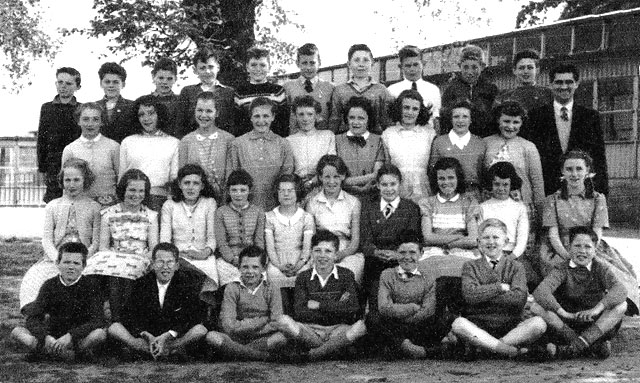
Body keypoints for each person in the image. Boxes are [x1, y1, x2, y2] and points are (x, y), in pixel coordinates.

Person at [539, 150, 638, 314]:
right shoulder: (552, 200)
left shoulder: (598, 199)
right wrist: (569, 256)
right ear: (562, 172)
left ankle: (611, 305)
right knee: (561, 273)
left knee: (613, 273)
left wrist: (587, 252)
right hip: (561, 248)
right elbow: (553, 234)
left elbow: (597, 232)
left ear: (588, 172)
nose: (574, 174)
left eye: (579, 169)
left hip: (590, 245)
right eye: (569, 169)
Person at [450, 219, 547, 359]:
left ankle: (490, 347)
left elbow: (519, 299)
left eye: (496, 237)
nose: (491, 242)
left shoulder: (516, 266)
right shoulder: (470, 266)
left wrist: (482, 293)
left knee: (539, 324)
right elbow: (470, 295)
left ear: (505, 241)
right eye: (486, 238)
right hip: (479, 325)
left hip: (511, 327)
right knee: (459, 324)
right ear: (478, 242)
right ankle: (509, 351)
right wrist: (500, 287)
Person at [19, 158, 101, 312]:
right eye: (67, 180)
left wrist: (83, 258)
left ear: (85, 180)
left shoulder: (94, 207)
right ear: (62, 181)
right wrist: (57, 257)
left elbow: (95, 241)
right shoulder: (53, 206)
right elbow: (47, 239)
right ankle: (36, 313)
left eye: (77, 180)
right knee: (35, 276)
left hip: (84, 258)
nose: (72, 184)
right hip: (56, 257)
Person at [534, 227, 628, 360]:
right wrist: (563, 313)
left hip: (594, 322)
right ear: (569, 247)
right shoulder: (562, 268)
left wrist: (596, 310)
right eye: (577, 246)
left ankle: (573, 348)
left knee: (622, 305)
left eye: (588, 247)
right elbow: (541, 291)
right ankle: (590, 345)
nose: (582, 251)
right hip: (569, 321)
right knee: (536, 306)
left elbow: (620, 289)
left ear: (595, 249)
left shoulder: (600, 267)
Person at [108, 243, 207, 360]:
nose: (165, 267)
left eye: (170, 262)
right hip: (148, 337)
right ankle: (146, 349)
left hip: (173, 338)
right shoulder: (141, 283)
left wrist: (168, 335)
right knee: (114, 327)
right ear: (153, 264)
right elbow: (130, 315)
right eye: (160, 262)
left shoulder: (186, 284)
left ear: (177, 265)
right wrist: (146, 335)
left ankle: (169, 349)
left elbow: (192, 316)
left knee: (200, 330)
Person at [83, 169, 159, 322]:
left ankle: (121, 321)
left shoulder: (150, 215)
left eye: (140, 191)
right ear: (123, 189)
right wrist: (117, 257)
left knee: (125, 270)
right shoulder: (108, 213)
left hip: (139, 256)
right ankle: (100, 319)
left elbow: (153, 248)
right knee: (95, 268)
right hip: (114, 255)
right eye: (131, 190)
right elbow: (103, 247)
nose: (136, 195)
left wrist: (140, 257)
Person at [279, 230, 366, 360]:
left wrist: (319, 305)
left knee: (360, 327)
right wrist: (336, 307)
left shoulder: (346, 275)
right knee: (283, 321)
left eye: (328, 251)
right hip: (311, 330)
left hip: (338, 329)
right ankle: (331, 349)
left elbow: (351, 308)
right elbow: (300, 311)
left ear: (336, 254)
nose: (322, 255)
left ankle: (314, 354)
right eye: (317, 250)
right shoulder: (303, 277)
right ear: (311, 253)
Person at [523, 63, 609, 196]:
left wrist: (602, 193)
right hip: (547, 189)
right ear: (551, 84)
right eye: (559, 82)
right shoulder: (535, 116)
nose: (564, 87)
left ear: (576, 84)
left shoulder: (590, 117)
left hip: (581, 190)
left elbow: (599, 158)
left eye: (569, 82)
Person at [11, 242, 106, 362]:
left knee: (99, 334)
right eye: (66, 262)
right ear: (58, 264)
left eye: (76, 263)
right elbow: (33, 317)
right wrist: (45, 337)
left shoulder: (91, 286)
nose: (71, 267)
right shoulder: (49, 285)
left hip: (78, 339)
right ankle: (67, 355)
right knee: (17, 332)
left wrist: (71, 336)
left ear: (84, 266)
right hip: (53, 338)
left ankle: (55, 354)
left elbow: (98, 319)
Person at [365, 229, 443, 359]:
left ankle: (400, 346)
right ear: (396, 253)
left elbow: (428, 310)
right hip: (394, 326)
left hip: (418, 325)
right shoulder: (387, 274)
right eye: (402, 252)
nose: (407, 257)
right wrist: (412, 307)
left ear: (421, 253)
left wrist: (404, 316)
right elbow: (384, 307)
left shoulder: (428, 276)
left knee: (445, 318)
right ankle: (410, 347)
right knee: (372, 319)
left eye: (412, 252)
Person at [206, 246, 290, 361]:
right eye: (245, 267)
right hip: (236, 337)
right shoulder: (232, 288)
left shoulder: (272, 288)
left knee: (281, 338)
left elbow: (276, 322)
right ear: (239, 267)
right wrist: (263, 319)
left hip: (262, 337)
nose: (250, 272)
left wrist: (244, 326)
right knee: (212, 336)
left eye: (255, 267)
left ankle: (236, 352)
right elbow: (228, 325)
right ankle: (260, 356)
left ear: (263, 268)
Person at [360, 164, 421, 310]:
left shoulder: (410, 208)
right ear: (378, 186)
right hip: (375, 261)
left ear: (400, 184)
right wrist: (375, 252)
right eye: (384, 184)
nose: (389, 189)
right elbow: (365, 239)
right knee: (376, 299)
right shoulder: (369, 207)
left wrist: (397, 254)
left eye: (393, 184)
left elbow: (414, 239)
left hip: (400, 259)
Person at [160, 164, 219, 304]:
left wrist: (205, 252)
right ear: (180, 184)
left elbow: (212, 236)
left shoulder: (209, 203)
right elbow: (165, 239)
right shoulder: (169, 205)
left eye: (196, 183)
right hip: (177, 255)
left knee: (201, 276)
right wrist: (176, 255)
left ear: (202, 186)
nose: (191, 187)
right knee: (183, 274)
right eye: (186, 183)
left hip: (203, 256)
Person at [306, 155, 365, 283]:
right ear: (320, 177)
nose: (331, 181)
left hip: (346, 251)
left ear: (343, 176)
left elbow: (355, 242)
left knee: (345, 273)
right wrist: (324, 254)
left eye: (336, 176)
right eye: (327, 177)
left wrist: (339, 255)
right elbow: (311, 237)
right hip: (321, 249)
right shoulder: (312, 203)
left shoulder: (353, 202)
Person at [228, 96, 294, 210]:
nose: (261, 121)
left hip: (275, 207)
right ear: (251, 118)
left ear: (273, 117)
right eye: (257, 116)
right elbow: (232, 178)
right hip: (246, 207)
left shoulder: (283, 144)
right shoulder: (238, 144)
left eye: (266, 116)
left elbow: (286, 177)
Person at [419, 157, 480, 279]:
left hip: (462, 252)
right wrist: (459, 237)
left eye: (451, 177)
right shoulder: (428, 203)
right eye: (441, 178)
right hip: (434, 252)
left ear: (458, 179)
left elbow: (473, 239)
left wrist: (447, 245)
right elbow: (428, 238)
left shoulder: (468, 202)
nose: (446, 182)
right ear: (435, 180)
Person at [484, 101, 545, 220]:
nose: (510, 127)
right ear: (498, 120)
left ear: (522, 123)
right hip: (491, 204)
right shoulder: (485, 143)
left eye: (516, 122)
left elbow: (537, 182)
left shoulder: (528, 146)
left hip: (520, 205)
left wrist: (540, 214)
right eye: (506, 121)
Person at [120, 95, 179, 211]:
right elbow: (122, 177)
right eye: (141, 115)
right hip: (132, 200)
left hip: (161, 199)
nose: (146, 118)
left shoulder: (173, 142)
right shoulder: (128, 142)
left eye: (151, 113)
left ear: (160, 115)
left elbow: (174, 177)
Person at [178, 91, 235, 201]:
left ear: (217, 113)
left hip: (222, 200)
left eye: (209, 111)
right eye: (199, 110)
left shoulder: (229, 140)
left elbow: (230, 176)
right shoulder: (186, 141)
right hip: (195, 201)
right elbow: (182, 176)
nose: (203, 115)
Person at [37, 67, 82, 203]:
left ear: (77, 86)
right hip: (53, 166)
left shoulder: (81, 109)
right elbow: (42, 139)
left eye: (68, 83)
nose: (63, 86)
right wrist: (42, 167)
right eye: (60, 82)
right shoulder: (47, 108)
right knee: (54, 204)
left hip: (75, 164)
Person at [382, 89, 436, 202]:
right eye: (406, 107)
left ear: (420, 111)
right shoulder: (388, 134)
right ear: (399, 108)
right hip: (397, 190)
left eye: (415, 109)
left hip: (423, 191)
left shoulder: (429, 133)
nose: (410, 112)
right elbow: (387, 166)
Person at [62, 102, 120, 207]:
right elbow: (65, 184)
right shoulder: (70, 149)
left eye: (95, 119)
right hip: (80, 206)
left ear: (102, 122)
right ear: (78, 121)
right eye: (85, 119)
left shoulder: (113, 147)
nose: (90, 124)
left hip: (108, 205)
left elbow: (120, 178)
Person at [215, 170, 265, 287]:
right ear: (228, 191)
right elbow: (221, 242)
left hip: (252, 259)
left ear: (249, 191)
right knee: (231, 286)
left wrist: (253, 260)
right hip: (229, 260)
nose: (238, 194)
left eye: (243, 190)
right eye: (234, 190)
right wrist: (233, 259)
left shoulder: (258, 212)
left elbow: (259, 241)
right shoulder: (221, 212)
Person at [330, 44, 393, 134]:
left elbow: (387, 122)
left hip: (374, 141)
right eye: (356, 60)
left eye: (366, 60)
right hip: (345, 142)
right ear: (349, 64)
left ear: (372, 63)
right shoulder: (340, 90)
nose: (361, 64)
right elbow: (334, 121)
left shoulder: (381, 90)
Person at [265, 174, 315, 289]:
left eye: (290, 190)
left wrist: (298, 266)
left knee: (305, 275)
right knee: (273, 275)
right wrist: (279, 266)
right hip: (276, 260)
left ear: (297, 192)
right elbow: (271, 248)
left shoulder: (306, 217)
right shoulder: (269, 217)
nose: (286, 194)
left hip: (300, 260)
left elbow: (307, 248)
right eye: (282, 191)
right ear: (276, 193)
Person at [429, 99, 486, 199]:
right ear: (450, 119)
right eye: (456, 117)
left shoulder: (480, 143)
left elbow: (482, 173)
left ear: (471, 119)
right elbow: (433, 171)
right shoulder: (439, 142)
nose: (460, 120)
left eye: (465, 116)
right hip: (446, 194)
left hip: (472, 195)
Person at [442, 45, 499, 138]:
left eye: (474, 67)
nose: (470, 72)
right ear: (459, 66)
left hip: (484, 138)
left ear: (482, 66)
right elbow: (445, 118)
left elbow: (496, 117)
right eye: (465, 67)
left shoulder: (491, 89)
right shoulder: (451, 89)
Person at [335, 96, 386, 197]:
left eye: (361, 118)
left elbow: (377, 174)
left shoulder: (378, 140)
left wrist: (348, 182)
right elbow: (335, 177)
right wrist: (356, 188)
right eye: (352, 117)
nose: (356, 122)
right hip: (343, 195)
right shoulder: (336, 140)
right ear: (346, 118)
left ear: (368, 119)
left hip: (371, 195)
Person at [234, 46, 288, 137]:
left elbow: (283, 124)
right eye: (254, 65)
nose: (258, 69)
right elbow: (238, 125)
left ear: (269, 67)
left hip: (273, 143)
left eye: (262, 65)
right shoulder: (240, 93)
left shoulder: (278, 91)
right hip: (248, 145)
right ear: (247, 67)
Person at [286, 95, 336, 195]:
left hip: (322, 185)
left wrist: (313, 181)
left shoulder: (327, 136)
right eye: (301, 114)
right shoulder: (289, 140)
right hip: (298, 187)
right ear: (295, 116)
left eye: (310, 114)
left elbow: (332, 165)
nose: (305, 119)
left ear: (317, 116)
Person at [179, 48, 235, 135]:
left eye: (211, 67)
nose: (207, 71)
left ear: (218, 67)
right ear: (195, 70)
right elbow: (180, 124)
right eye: (202, 68)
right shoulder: (187, 92)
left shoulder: (229, 92)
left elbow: (232, 124)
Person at [480, 162, 529, 259]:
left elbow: (522, 239)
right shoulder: (483, 207)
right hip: (488, 254)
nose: (501, 188)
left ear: (511, 185)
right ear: (491, 184)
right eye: (497, 184)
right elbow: (480, 237)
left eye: (505, 184)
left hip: (513, 255)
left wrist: (511, 257)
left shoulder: (519, 208)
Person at [283, 43, 335, 132]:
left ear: (319, 62)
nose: (308, 67)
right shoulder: (287, 87)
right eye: (304, 63)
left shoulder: (330, 88)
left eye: (312, 63)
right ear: (297, 63)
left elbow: (334, 118)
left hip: (321, 141)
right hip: (295, 140)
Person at [387, 45, 441, 130]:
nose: (412, 69)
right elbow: (390, 120)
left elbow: (435, 119)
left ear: (423, 64)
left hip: (426, 137)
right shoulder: (392, 90)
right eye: (408, 66)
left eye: (416, 65)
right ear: (400, 67)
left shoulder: (433, 90)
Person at [95, 62, 136, 143]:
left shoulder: (132, 106)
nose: (111, 85)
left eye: (115, 82)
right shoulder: (94, 107)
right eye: (107, 82)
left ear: (123, 84)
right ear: (101, 84)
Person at [146, 57, 183, 138]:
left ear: (175, 79)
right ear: (153, 77)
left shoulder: (181, 101)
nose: (165, 82)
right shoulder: (145, 101)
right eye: (161, 78)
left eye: (169, 79)